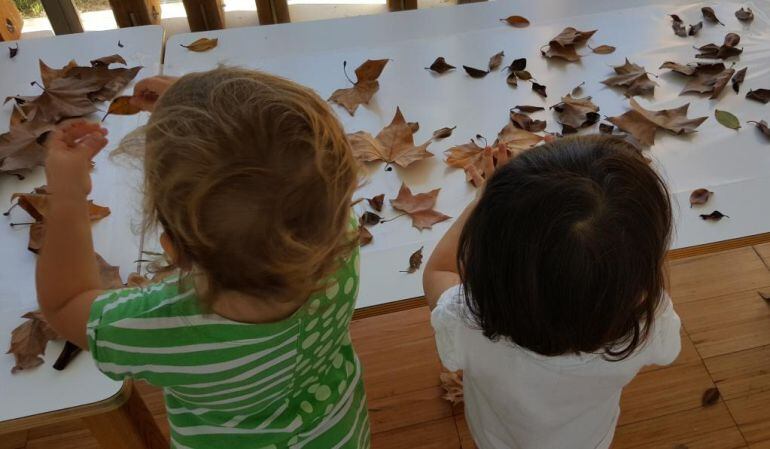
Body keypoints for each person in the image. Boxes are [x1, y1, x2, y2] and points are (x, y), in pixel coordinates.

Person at [36, 67, 370, 449]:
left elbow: (65, 304)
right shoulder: (338, 239)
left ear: (174, 250)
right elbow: (276, 172)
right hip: (336, 433)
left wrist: (66, 196)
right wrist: (192, 102)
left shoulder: (157, 326)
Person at [423, 136, 681, 449]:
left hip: (496, 439)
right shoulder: (646, 324)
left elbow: (439, 271)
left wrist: (483, 201)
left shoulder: (467, 317)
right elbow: (665, 341)